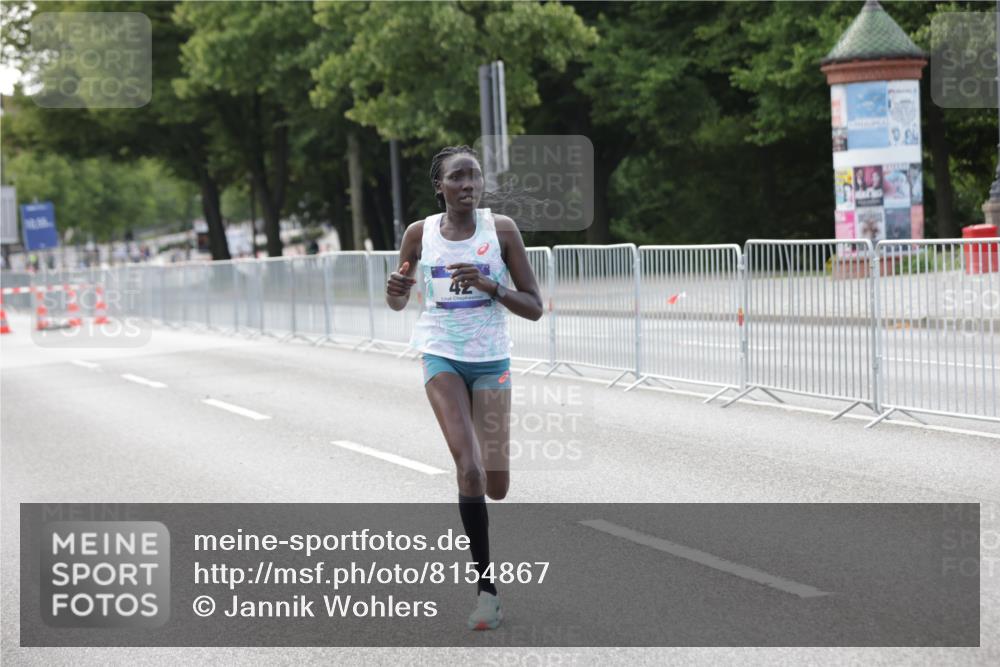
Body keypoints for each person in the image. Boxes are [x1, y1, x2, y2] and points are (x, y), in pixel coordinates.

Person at [385, 145, 543, 631]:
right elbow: (398, 298)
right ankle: (487, 592)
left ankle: (487, 573)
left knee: (496, 485)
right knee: (469, 469)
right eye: (458, 177)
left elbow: (534, 306)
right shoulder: (420, 234)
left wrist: (490, 286)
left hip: (491, 358)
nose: (468, 184)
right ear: (441, 186)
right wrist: (395, 292)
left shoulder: (502, 231)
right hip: (441, 354)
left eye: (474, 176)